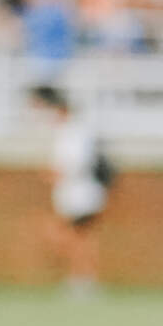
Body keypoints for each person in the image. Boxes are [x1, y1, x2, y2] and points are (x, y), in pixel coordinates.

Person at [34, 84, 109, 295]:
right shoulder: (66, 132)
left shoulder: (76, 132)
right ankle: (82, 278)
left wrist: (56, 174)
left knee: (73, 236)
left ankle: (84, 278)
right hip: (71, 194)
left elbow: (76, 163)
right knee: (77, 238)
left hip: (81, 194)